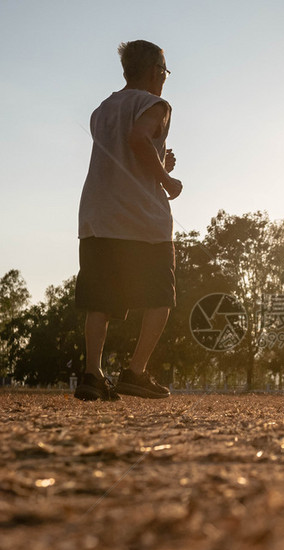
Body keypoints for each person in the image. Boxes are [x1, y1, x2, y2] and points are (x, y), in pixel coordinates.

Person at [73, 40, 182, 401]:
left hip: (97, 215)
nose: (164, 79)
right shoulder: (157, 105)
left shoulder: (102, 109)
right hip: (141, 218)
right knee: (160, 296)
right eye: (164, 72)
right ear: (155, 72)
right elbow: (137, 138)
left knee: (99, 301)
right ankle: (135, 372)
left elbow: (123, 155)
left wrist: (155, 164)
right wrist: (166, 179)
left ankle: (92, 374)